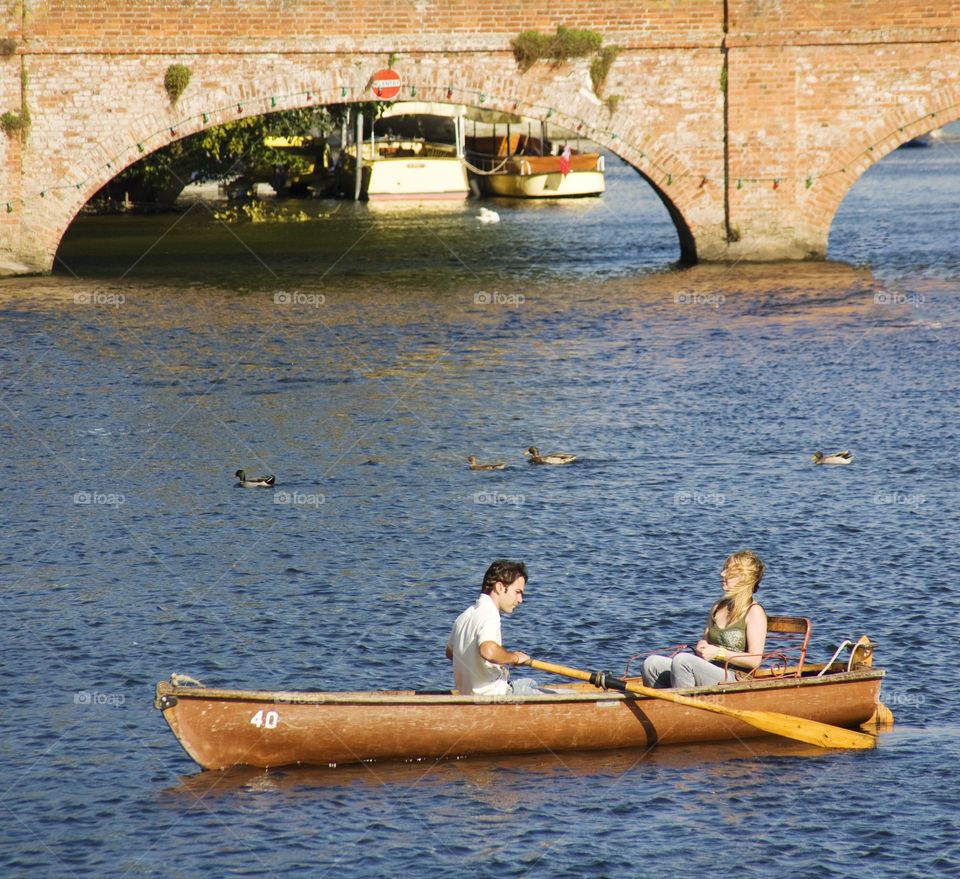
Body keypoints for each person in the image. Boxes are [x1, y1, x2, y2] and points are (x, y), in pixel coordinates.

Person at [642, 550, 768, 689]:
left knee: (683, 660)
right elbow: (705, 643)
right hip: (709, 670)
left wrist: (719, 653)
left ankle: (684, 707)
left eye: (729, 571)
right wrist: (702, 646)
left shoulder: (754, 611)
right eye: (724, 569)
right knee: (651, 664)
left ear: (744, 578)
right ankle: (663, 707)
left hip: (735, 678)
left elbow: (755, 660)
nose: (722, 574)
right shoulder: (717, 607)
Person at [445, 559, 542, 696]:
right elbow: (488, 651)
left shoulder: (464, 616)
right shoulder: (490, 614)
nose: (520, 599)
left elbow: (450, 653)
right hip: (496, 697)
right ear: (500, 587)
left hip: (468, 696)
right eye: (517, 592)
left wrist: (478, 665)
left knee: (529, 683)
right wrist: (514, 658)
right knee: (560, 695)